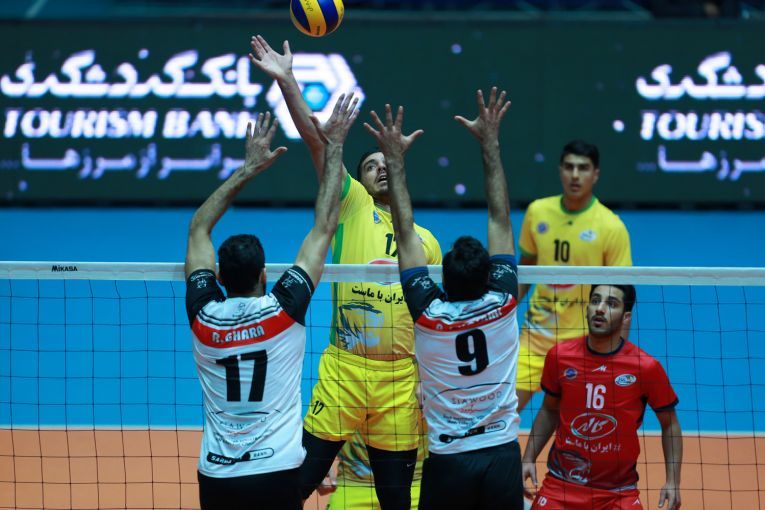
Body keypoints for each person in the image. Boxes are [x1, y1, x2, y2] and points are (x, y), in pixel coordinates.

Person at [249, 35, 442, 509]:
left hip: (399, 379)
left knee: (397, 500)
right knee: (297, 484)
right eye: (370, 166)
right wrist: (287, 80)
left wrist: (429, 378)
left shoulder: (428, 243)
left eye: (386, 162)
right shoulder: (353, 205)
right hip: (345, 372)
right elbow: (318, 143)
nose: (380, 169)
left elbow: (431, 320)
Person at [184, 96, 359, 510]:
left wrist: (247, 169)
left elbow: (198, 229)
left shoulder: (204, 317)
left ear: (219, 277)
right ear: (265, 275)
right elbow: (325, 226)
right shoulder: (285, 310)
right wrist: (334, 146)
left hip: (217, 475)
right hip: (276, 472)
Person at [368, 88, 524, 510]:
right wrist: (490, 142)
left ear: (444, 281)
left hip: (449, 459)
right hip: (501, 455)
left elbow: (404, 233)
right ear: (489, 277)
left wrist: (395, 160)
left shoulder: (428, 314)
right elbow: (500, 218)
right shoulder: (503, 303)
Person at [522, 284, 682, 510]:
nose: (600, 308)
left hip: (618, 492)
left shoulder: (645, 367)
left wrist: (673, 481)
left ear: (626, 317)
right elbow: (549, 409)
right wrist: (528, 457)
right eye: (595, 301)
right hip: (561, 486)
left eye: (611, 304)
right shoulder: (560, 356)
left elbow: (670, 424)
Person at [516, 140, 632, 412]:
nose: (575, 175)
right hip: (534, 341)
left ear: (596, 174)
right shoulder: (537, 212)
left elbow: (622, 295)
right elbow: (526, 268)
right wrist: (501, 313)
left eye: (583, 168)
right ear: (560, 170)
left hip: (583, 346)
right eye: (569, 167)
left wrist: (618, 354)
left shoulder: (611, 227)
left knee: (575, 425)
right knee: (501, 415)